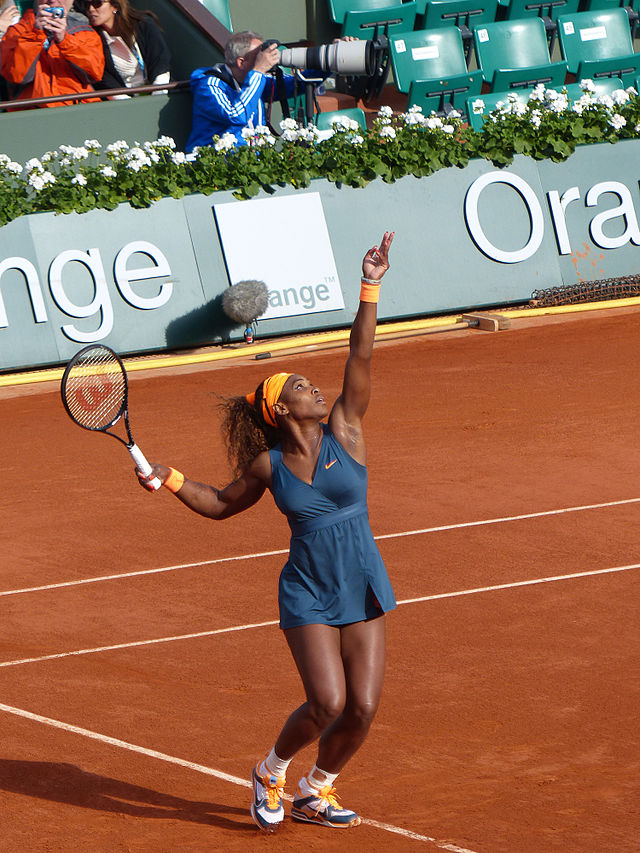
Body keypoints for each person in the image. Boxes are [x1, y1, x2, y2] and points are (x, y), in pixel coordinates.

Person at [138, 231, 397, 831]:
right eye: (300, 388)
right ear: (281, 411)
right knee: (327, 701)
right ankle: (272, 769)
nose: (314, 388)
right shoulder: (268, 466)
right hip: (308, 591)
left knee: (361, 708)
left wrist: (371, 285)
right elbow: (223, 502)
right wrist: (169, 478)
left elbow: (359, 356)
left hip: (361, 582)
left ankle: (317, 787)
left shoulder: (346, 431)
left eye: (310, 384)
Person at [185, 30, 297, 152]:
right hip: (215, 162)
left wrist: (319, 65)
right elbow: (237, 116)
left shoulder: (256, 79)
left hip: (252, 161)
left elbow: (297, 84)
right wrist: (258, 71)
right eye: (260, 57)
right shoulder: (209, 86)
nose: (266, 60)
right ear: (242, 62)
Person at [1, 0, 104, 106]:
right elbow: (16, 76)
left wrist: (64, 40)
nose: (53, 0)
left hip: (78, 108)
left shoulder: (84, 30)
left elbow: (94, 73)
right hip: (34, 112)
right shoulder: (16, 32)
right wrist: (35, 34)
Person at [84, 0, 170, 95]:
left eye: (97, 3)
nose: (90, 9)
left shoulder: (144, 25)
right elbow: (104, 80)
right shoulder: (91, 40)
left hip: (159, 90)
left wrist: (158, 93)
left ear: (115, 6)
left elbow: (160, 61)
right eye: (87, 5)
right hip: (124, 101)